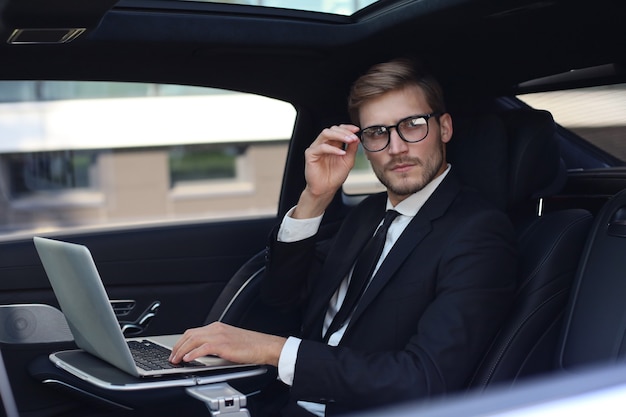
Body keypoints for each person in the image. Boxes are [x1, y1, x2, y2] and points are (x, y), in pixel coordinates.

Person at [169, 58, 516, 416]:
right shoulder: (367, 215)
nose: (396, 148)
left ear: (444, 127)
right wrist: (315, 197)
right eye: (378, 133)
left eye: (412, 126)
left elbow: (425, 380)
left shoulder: (478, 232)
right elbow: (280, 299)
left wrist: (273, 350)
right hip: (286, 402)